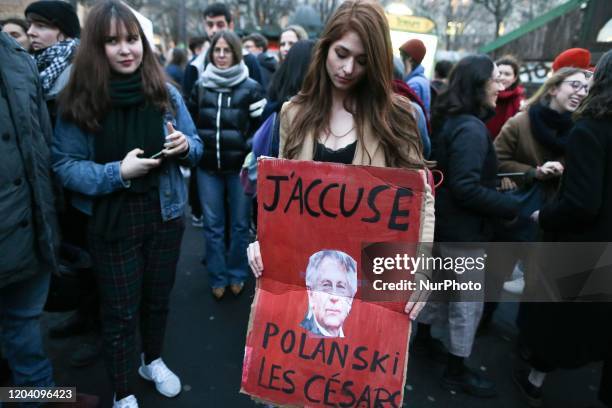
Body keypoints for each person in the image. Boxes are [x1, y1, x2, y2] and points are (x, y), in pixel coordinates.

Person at [51, 1, 203, 407]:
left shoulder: (165, 93)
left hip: (166, 213)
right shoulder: (80, 99)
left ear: (143, 43)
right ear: (95, 48)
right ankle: (122, 391)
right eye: (112, 41)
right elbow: (64, 165)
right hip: (111, 219)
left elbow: (198, 145)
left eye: (132, 39)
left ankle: (151, 360)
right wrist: (117, 172)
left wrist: (185, 145)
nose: (125, 50)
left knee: (157, 300)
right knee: (119, 313)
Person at [247, 0, 433, 322]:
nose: (348, 70)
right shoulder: (294, 113)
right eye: (341, 54)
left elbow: (420, 199)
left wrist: (421, 268)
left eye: (362, 61)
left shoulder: (400, 117)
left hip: (371, 275)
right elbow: (276, 197)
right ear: (325, 48)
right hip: (302, 270)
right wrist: (261, 241)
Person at [417, 55, 520, 398]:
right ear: (478, 84)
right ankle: (456, 371)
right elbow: (466, 186)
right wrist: (510, 206)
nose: (500, 85)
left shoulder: (454, 121)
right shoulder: (471, 129)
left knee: (441, 295)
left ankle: (424, 344)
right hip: (464, 234)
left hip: (447, 228)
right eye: (494, 79)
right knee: (466, 305)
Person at [519, 49, 612, 408]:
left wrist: (544, 217)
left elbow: (582, 204)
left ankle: (533, 381)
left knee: (554, 324)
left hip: (583, 251)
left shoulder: (590, 130)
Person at [0, 28, 58, 403]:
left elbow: (43, 144)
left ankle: (47, 396)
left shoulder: (19, 60)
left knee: (24, 333)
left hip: (31, 227)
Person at [188, 31, 265, 300]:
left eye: (226, 50)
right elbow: (192, 125)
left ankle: (236, 274)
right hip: (207, 167)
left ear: (235, 53)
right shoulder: (201, 85)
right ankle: (218, 277)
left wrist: (246, 150)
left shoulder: (251, 87)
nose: (221, 55)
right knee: (213, 225)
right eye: (217, 50)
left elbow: (261, 130)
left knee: (241, 224)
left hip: (239, 168)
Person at [182, 3, 262, 97]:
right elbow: (188, 103)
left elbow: (259, 98)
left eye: (220, 25)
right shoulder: (195, 64)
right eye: (210, 25)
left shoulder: (249, 61)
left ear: (230, 26)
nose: (214, 30)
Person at [25, 0, 80, 126]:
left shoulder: (80, 70)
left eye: (41, 25)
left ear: (65, 32)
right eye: (29, 25)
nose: (30, 32)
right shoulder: (31, 62)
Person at [301, 250, 357, 338]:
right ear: (311, 294)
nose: (334, 297)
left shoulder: (357, 340)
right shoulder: (298, 335)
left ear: (350, 299)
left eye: (341, 287)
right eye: (326, 285)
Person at [485, 55, 525, 139]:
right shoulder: (485, 97)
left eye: (507, 74)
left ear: (515, 78)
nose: (502, 77)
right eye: (499, 74)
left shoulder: (520, 102)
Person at [400, 38, 431, 114]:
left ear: (409, 59)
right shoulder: (421, 79)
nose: (399, 60)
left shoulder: (414, 84)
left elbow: (408, 114)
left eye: (401, 56)